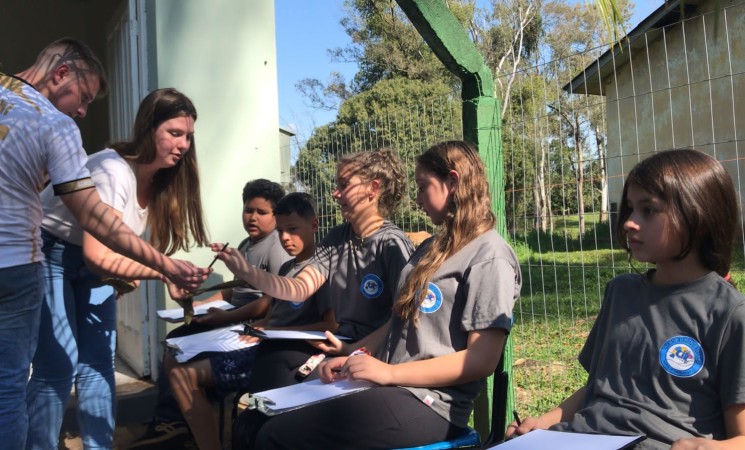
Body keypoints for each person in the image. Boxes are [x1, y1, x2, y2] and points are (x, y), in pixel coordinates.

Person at [225, 140, 522, 449]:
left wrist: (389, 373)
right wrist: (350, 355)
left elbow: (481, 360)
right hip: (389, 384)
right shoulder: (431, 248)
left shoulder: (490, 255)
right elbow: (397, 323)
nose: (418, 199)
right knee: (251, 423)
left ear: (452, 181)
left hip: (430, 402)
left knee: (276, 436)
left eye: (423, 187)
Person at [0, 38, 207, 450]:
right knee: (52, 369)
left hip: (66, 264)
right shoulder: (104, 163)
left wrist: (160, 270)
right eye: (174, 133)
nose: (183, 145)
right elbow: (99, 248)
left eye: (188, 136)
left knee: (96, 365)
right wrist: (165, 268)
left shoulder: (160, 184)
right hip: (46, 255)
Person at [506, 149, 745, 449]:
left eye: (648, 210)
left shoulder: (729, 313)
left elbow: (741, 437)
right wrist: (543, 423)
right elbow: (600, 387)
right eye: (631, 209)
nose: (629, 222)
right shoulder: (620, 292)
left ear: (698, 214)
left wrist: (710, 447)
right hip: (580, 439)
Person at [128, 179, 291, 449]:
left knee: (183, 352)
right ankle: (175, 422)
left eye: (261, 212)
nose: (252, 217)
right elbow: (233, 292)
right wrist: (204, 304)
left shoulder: (276, 247)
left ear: (275, 215)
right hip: (232, 319)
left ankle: (175, 423)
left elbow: (267, 304)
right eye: (248, 210)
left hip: (247, 327)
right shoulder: (247, 244)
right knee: (177, 340)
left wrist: (224, 318)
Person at [169, 192, 337, 450]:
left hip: (280, 352)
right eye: (280, 231)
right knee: (176, 356)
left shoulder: (320, 272)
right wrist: (260, 326)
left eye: (292, 229)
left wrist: (273, 329)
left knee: (184, 375)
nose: (284, 238)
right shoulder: (286, 268)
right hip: (257, 341)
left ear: (313, 225)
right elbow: (271, 311)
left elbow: (329, 326)